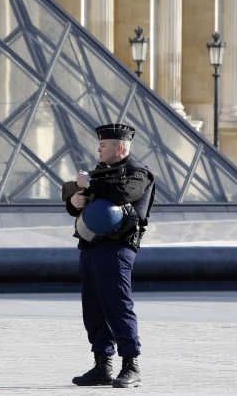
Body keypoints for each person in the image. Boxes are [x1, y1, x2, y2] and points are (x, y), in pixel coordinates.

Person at [64, 123, 155, 388]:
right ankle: (102, 364)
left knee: (118, 305)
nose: (99, 148)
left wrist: (91, 184)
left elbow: (123, 194)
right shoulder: (101, 173)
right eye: (100, 144)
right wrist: (74, 201)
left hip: (118, 248)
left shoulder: (139, 173)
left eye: (104, 145)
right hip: (90, 246)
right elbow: (80, 201)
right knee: (93, 308)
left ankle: (131, 364)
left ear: (121, 147)